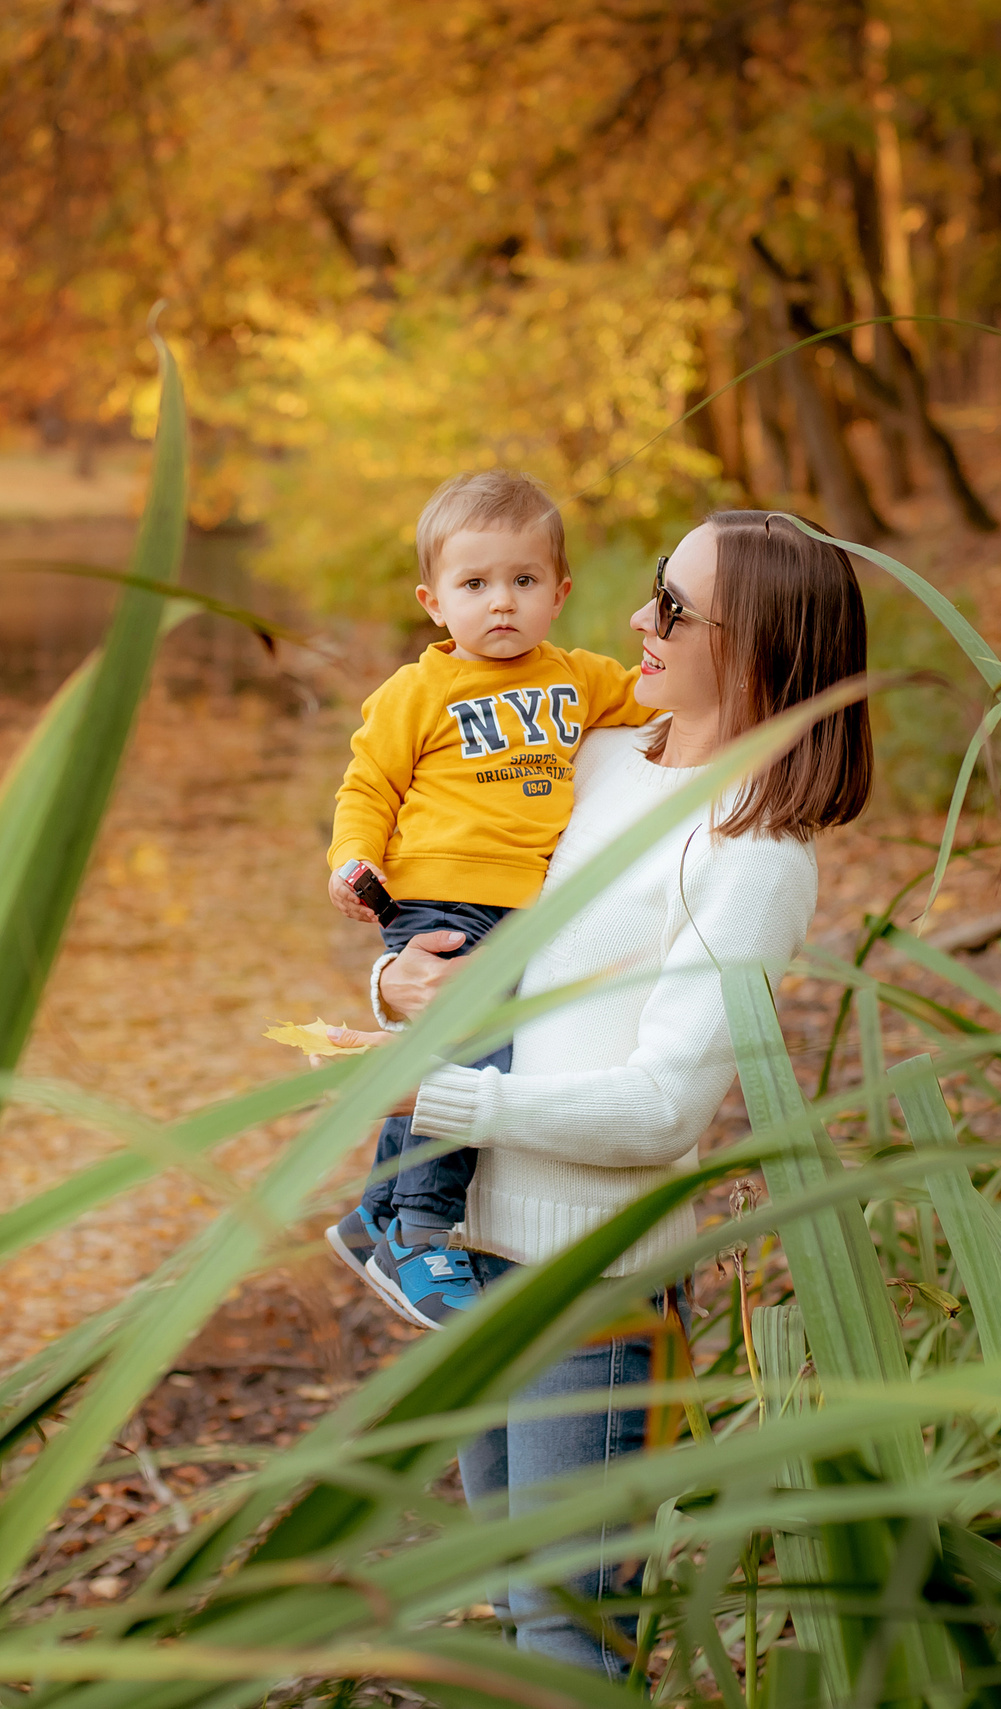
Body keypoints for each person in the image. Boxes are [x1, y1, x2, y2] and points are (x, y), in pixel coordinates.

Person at [334, 510, 872, 1678]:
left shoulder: (754, 852)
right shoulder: (591, 758)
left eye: (672, 607)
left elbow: (664, 1108)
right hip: (472, 1253)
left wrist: (445, 1108)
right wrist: (390, 980)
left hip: (595, 1283)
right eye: (650, 591)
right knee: (508, 1596)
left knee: (565, 1631)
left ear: (756, 647)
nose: (636, 618)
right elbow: (468, 932)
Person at [323, 470, 655, 1328]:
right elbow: (368, 785)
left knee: (450, 1052)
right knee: (476, 1057)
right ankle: (424, 1230)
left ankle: (374, 1217)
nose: (499, 603)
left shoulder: (578, 679)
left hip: (517, 912)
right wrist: (351, 858)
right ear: (434, 602)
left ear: (560, 593)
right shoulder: (416, 692)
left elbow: (656, 699)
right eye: (474, 585)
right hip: (440, 900)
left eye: (522, 581)